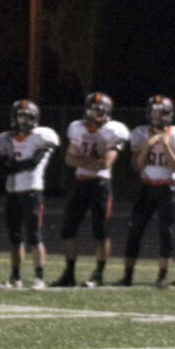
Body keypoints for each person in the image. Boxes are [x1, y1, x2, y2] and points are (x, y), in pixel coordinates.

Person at [51, 92, 129, 287]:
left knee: (100, 232)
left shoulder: (114, 130)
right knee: (67, 230)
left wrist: (84, 160)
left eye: (100, 110)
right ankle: (69, 273)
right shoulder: (76, 127)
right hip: (80, 182)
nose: (95, 113)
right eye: (92, 109)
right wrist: (91, 162)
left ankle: (99, 274)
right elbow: (69, 160)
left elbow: (105, 163)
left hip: (100, 185)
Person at [118, 95, 175, 288]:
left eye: (162, 113)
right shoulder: (140, 133)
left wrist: (166, 144)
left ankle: (162, 276)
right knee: (135, 229)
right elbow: (137, 166)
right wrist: (149, 145)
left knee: (166, 232)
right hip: (147, 186)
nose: (158, 117)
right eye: (155, 112)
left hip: (168, 187)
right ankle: (127, 276)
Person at [0, 100, 59, 289]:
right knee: (14, 236)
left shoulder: (42, 137)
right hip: (12, 191)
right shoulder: (5, 138)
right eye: (20, 116)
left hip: (32, 191)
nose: (23, 121)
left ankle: (39, 277)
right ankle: (15, 277)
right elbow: (2, 167)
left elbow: (31, 164)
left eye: (27, 117)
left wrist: (13, 165)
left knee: (34, 236)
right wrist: (13, 166)